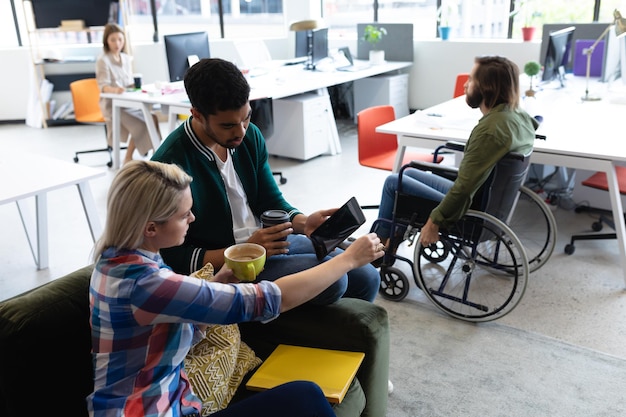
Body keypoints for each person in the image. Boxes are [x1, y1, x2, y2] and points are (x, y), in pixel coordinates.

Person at [87, 160, 384, 416]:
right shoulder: (146, 283)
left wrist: (218, 283)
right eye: (183, 214)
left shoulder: (116, 263)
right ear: (150, 228)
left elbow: (164, 330)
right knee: (307, 397)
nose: (192, 218)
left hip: (162, 403)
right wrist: (348, 259)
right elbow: (269, 300)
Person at [151, 58, 380, 305]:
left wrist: (304, 223)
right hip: (225, 267)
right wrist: (244, 250)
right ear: (196, 114)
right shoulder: (169, 166)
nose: (240, 131)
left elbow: (269, 201)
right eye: (228, 125)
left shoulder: (249, 137)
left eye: (246, 118)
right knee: (336, 279)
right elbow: (172, 257)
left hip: (264, 245)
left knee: (366, 276)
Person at [373, 55, 538, 261]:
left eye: (471, 79)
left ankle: (377, 250)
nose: (465, 84)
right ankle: (388, 242)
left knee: (393, 182)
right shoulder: (518, 117)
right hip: (488, 200)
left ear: (486, 86)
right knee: (411, 171)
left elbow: (464, 189)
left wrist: (434, 221)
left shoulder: (490, 131)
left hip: (468, 208)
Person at [96, 23, 160, 164]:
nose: (117, 43)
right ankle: (127, 157)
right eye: (113, 40)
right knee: (141, 124)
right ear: (106, 41)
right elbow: (103, 86)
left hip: (129, 101)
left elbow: (127, 82)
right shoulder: (103, 60)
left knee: (153, 118)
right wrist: (115, 90)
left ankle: (158, 154)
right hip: (114, 105)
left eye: (120, 39)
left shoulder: (125, 58)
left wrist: (133, 86)